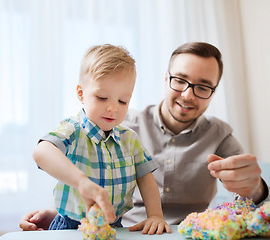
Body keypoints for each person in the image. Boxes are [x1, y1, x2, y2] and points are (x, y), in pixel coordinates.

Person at [20, 42, 270, 231]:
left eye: (203, 86)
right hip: (123, 229)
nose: (187, 94)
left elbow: (259, 202)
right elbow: (51, 154)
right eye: (180, 80)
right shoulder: (119, 123)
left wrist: (257, 188)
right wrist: (60, 212)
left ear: (213, 92)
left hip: (183, 233)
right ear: (165, 79)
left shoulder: (220, 135)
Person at [31, 44, 171, 234]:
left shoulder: (130, 139)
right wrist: (82, 182)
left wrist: (155, 215)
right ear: (81, 94)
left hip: (114, 227)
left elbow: (146, 179)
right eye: (102, 97)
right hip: (71, 226)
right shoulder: (72, 129)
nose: (113, 108)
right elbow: (42, 152)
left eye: (123, 101)